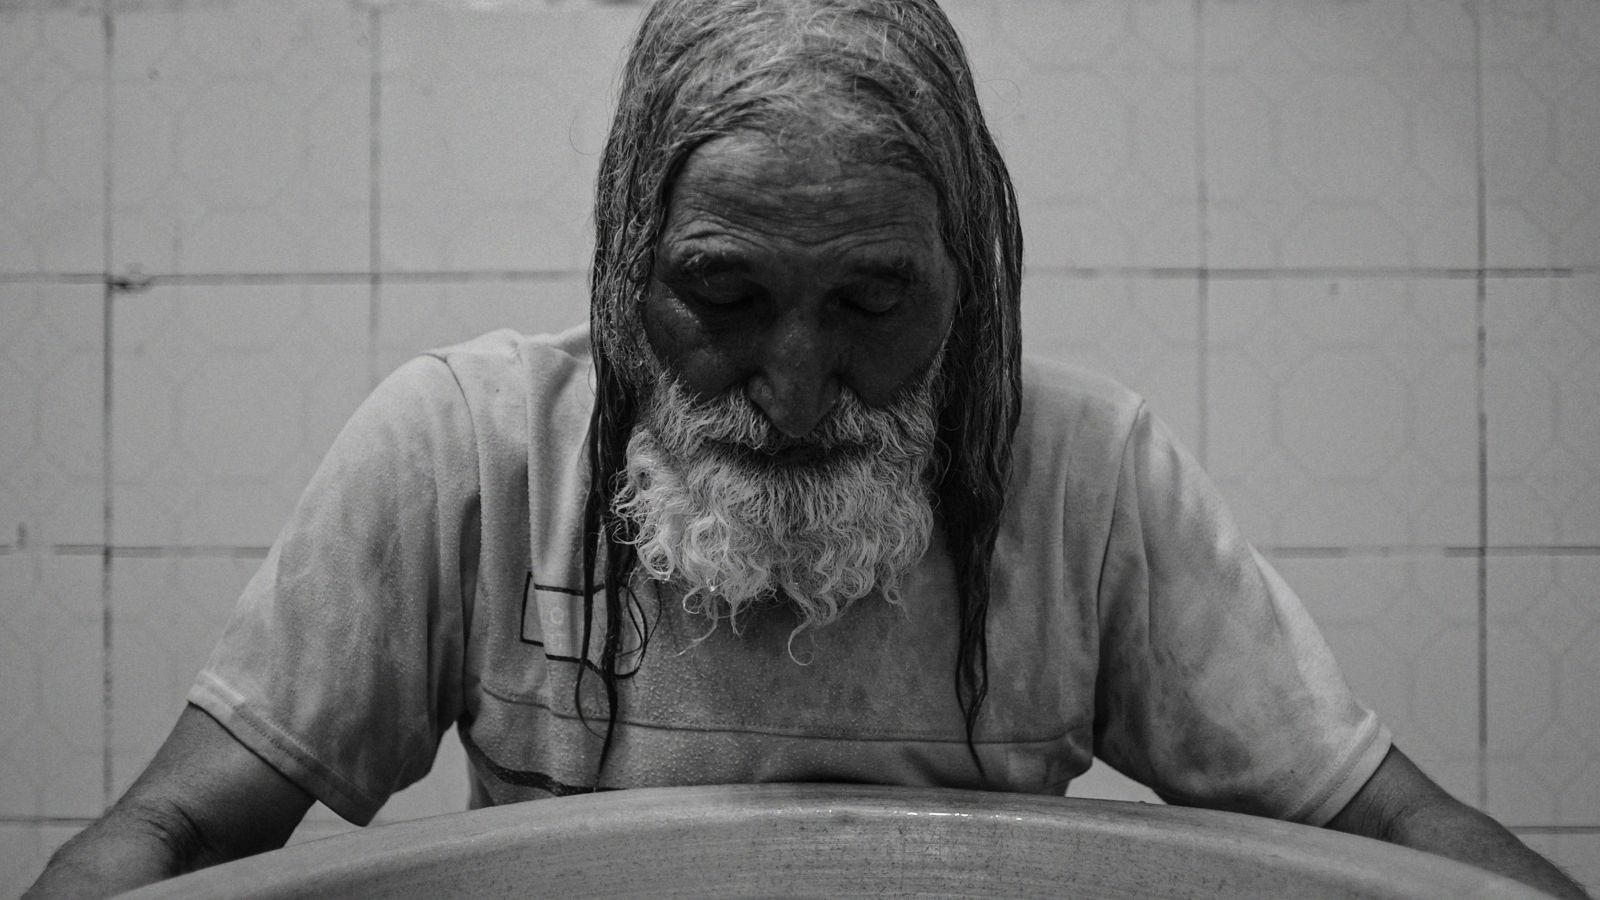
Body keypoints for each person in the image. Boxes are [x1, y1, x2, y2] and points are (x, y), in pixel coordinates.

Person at [27, 0, 1589, 897]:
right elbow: (169, 831)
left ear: (966, 290)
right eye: (724, 295)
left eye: (869, 302)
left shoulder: (1087, 476)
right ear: (624, 271)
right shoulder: (467, 452)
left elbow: (1397, 840)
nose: (792, 388)